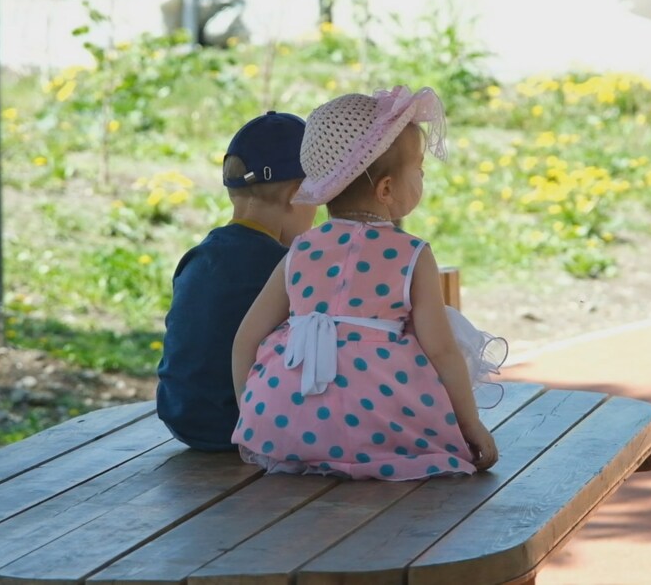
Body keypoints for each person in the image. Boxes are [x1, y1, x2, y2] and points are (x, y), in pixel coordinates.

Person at [230, 86, 499, 480]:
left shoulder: (299, 250)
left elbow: (246, 339)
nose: (423, 176)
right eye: (419, 169)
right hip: (383, 423)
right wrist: (470, 425)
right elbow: (441, 350)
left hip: (291, 424)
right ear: (386, 188)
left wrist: (251, 416)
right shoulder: (412, 254)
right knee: (447, 335)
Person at [155, 111, 317, 451]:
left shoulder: (199, 256)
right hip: (241, 423)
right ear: (296, 194)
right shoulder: (282, 267)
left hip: (182, 417)